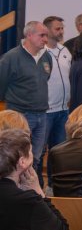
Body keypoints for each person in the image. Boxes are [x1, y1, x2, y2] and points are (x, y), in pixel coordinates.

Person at [0, 21, 52, 187]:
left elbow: (45, 79)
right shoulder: (11, 57)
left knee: (35, 157)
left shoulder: (46, 57)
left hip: (42, 115)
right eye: (42, 35)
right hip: (20, 115)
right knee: (17, 157)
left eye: (46, 35)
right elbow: (1, 84)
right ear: (29, 35)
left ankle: (29, 190)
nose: (46, 39)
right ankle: (14, 191)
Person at [0, 129, 69, 230]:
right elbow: (62, 227)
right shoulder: (29, 200)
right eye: (30, 151)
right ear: (22, 162)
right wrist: (38, 191)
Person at [43, 16, 72, 188]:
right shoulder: (40, 52)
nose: (61, 31)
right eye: (57, 28)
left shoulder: (65, 50)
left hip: (63, 111)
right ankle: (37, 188)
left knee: (59, 152)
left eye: (62, 28)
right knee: (39, 152)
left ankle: (53, 187)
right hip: (45, 111)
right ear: (47, 30)